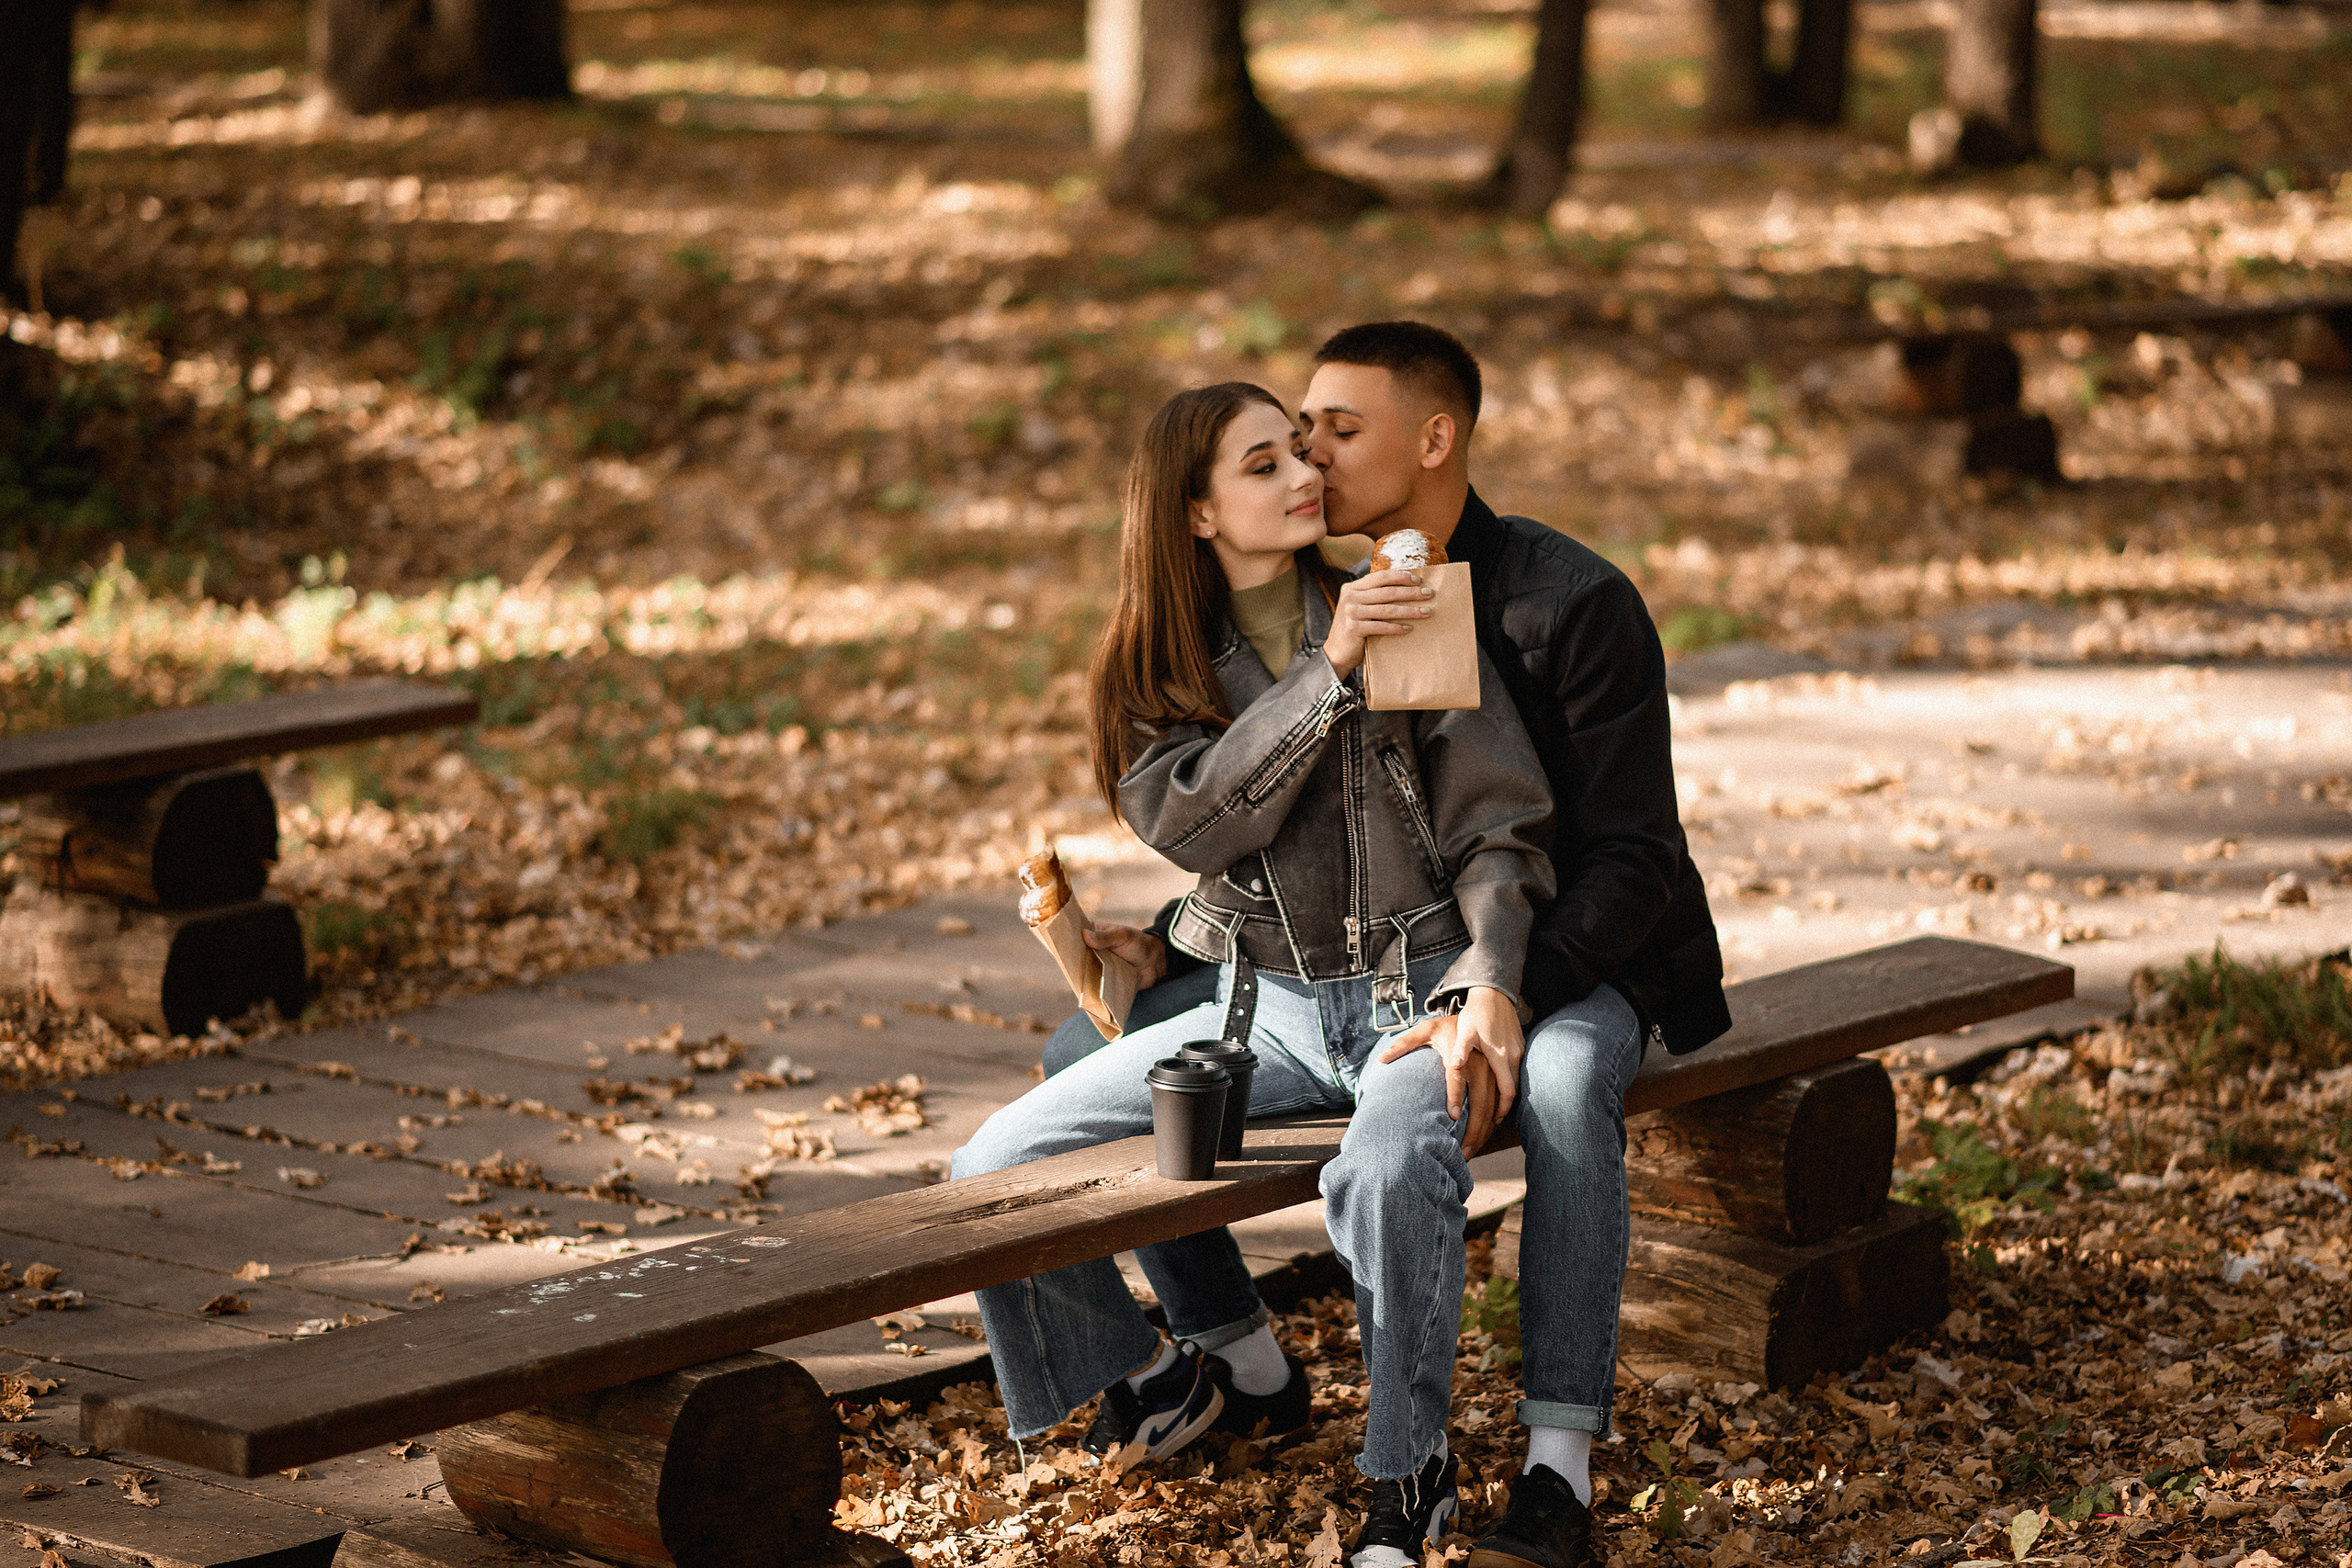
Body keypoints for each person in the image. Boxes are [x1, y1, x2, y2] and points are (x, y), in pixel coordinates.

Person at [1044, 322, 1731, 1568]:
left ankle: (1555, 1463)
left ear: (1432, 441)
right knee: (1070, 1056)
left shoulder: (1570, 599)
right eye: (1291, 438)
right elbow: (1280, 832)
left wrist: (1501, 989)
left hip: (1590, 952)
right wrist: (1164, 942)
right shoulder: (1365, 602)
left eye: (1333, 433)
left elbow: (1630, 861)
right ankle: (1229, 1357)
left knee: (1565, 1085)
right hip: (1438, 966)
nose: (1309, 456)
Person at [951, 379, 1556, 1568]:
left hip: (1417, 999)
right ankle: (1169, 1379)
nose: (1304, 479)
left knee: (1385, 1172)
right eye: (1265, 465)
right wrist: (1330, 672)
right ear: (1195, 515)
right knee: (992, 1167)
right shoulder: (1155, 673)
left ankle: (1408, 1473)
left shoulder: (1403, 602)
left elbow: (1497, 828)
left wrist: (1486, 980)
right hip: (1264, 1017)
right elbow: (1203, 823)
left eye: (1303, 454)